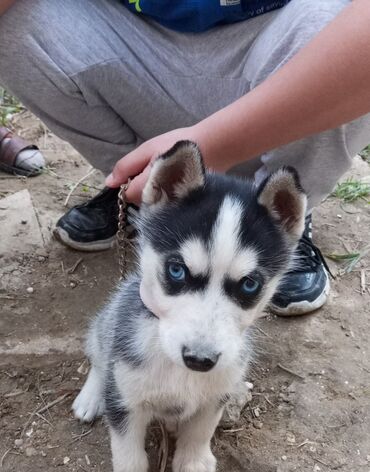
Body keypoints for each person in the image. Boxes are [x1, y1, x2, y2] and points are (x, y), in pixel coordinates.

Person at [0, 0, 369, 315]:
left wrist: (213, 145)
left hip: (289, 39)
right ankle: (147, 189)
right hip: (138, 38)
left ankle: (278, 213)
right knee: (18, 21)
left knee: (340, 26)